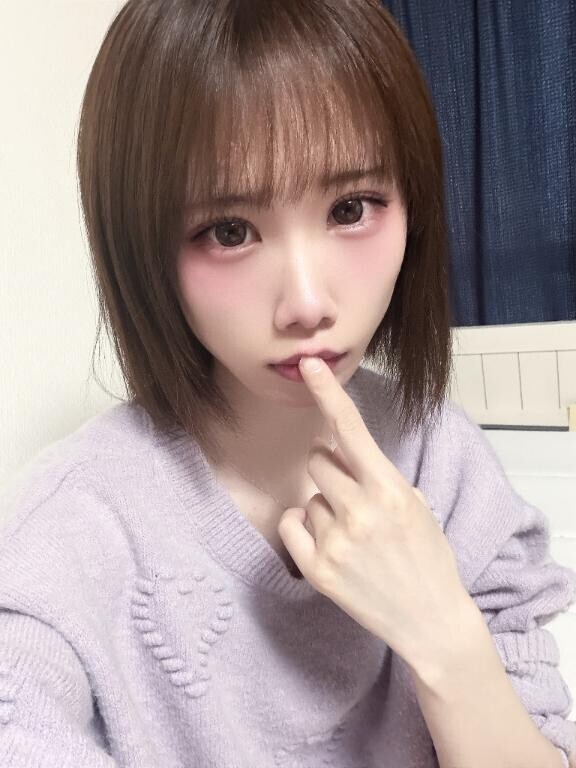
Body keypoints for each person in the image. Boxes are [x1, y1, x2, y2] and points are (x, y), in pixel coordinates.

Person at [1, 0, 575, 766]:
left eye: (351, 208)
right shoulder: (70, 529)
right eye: (229, 231)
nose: (307, 303)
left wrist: (443, 636)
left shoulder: (443, 459)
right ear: (141, 247)